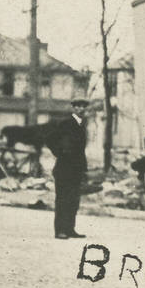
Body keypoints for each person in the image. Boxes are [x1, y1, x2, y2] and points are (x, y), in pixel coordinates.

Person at [47, 98, 89, 239]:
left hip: (76, 169)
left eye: (83, 107)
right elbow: (50, 139)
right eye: (77, 106)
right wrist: (60, 153)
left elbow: (81, 151)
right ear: (73, 108)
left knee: (73, 200)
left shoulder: (82, 125)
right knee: (62, 200)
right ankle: (60, 231)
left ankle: (70, 229)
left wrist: (84, 169)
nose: (81, 109)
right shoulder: (65, 123)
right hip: (64, 168)